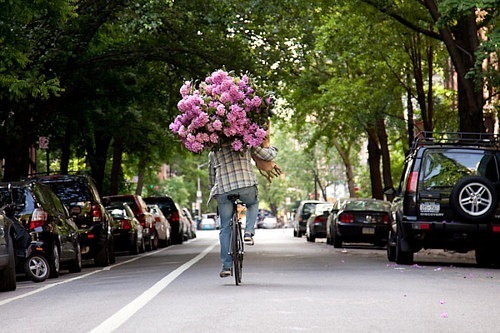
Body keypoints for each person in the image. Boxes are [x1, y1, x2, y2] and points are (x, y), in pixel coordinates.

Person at [208, 136, 278, 278]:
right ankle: (248, 232)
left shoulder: (213, 151)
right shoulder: (245, 143)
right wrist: (272, 148)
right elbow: (268, 155)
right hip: (246, 185)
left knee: (225, 227)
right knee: (253, 204)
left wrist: (214, 192)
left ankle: (226, 266)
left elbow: (211, 176)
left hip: (223, 189)